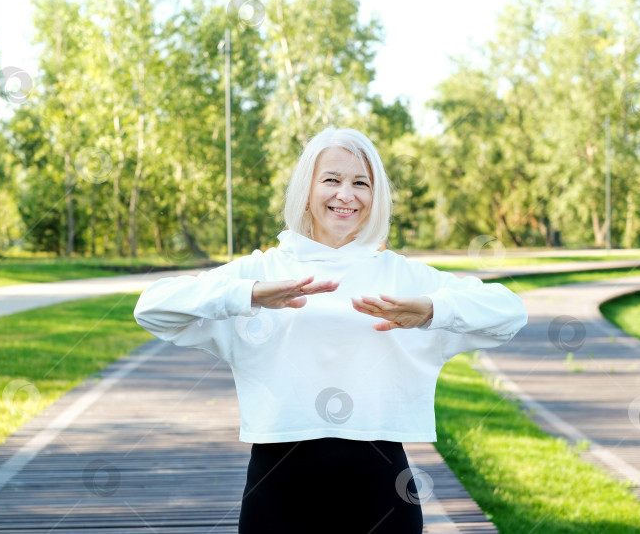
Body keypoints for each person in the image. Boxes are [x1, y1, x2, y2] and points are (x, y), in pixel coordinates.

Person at [133, 127, 528, 533]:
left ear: (376, 197)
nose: (346, 194)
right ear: (307, 189)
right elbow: (152, 308)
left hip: (382, 489)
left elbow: (510, 312)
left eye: (361, 182)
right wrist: (248, 296)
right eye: (332, 180)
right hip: (278, 489)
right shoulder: (262, 271)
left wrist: (431, 311)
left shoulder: (402, 275)